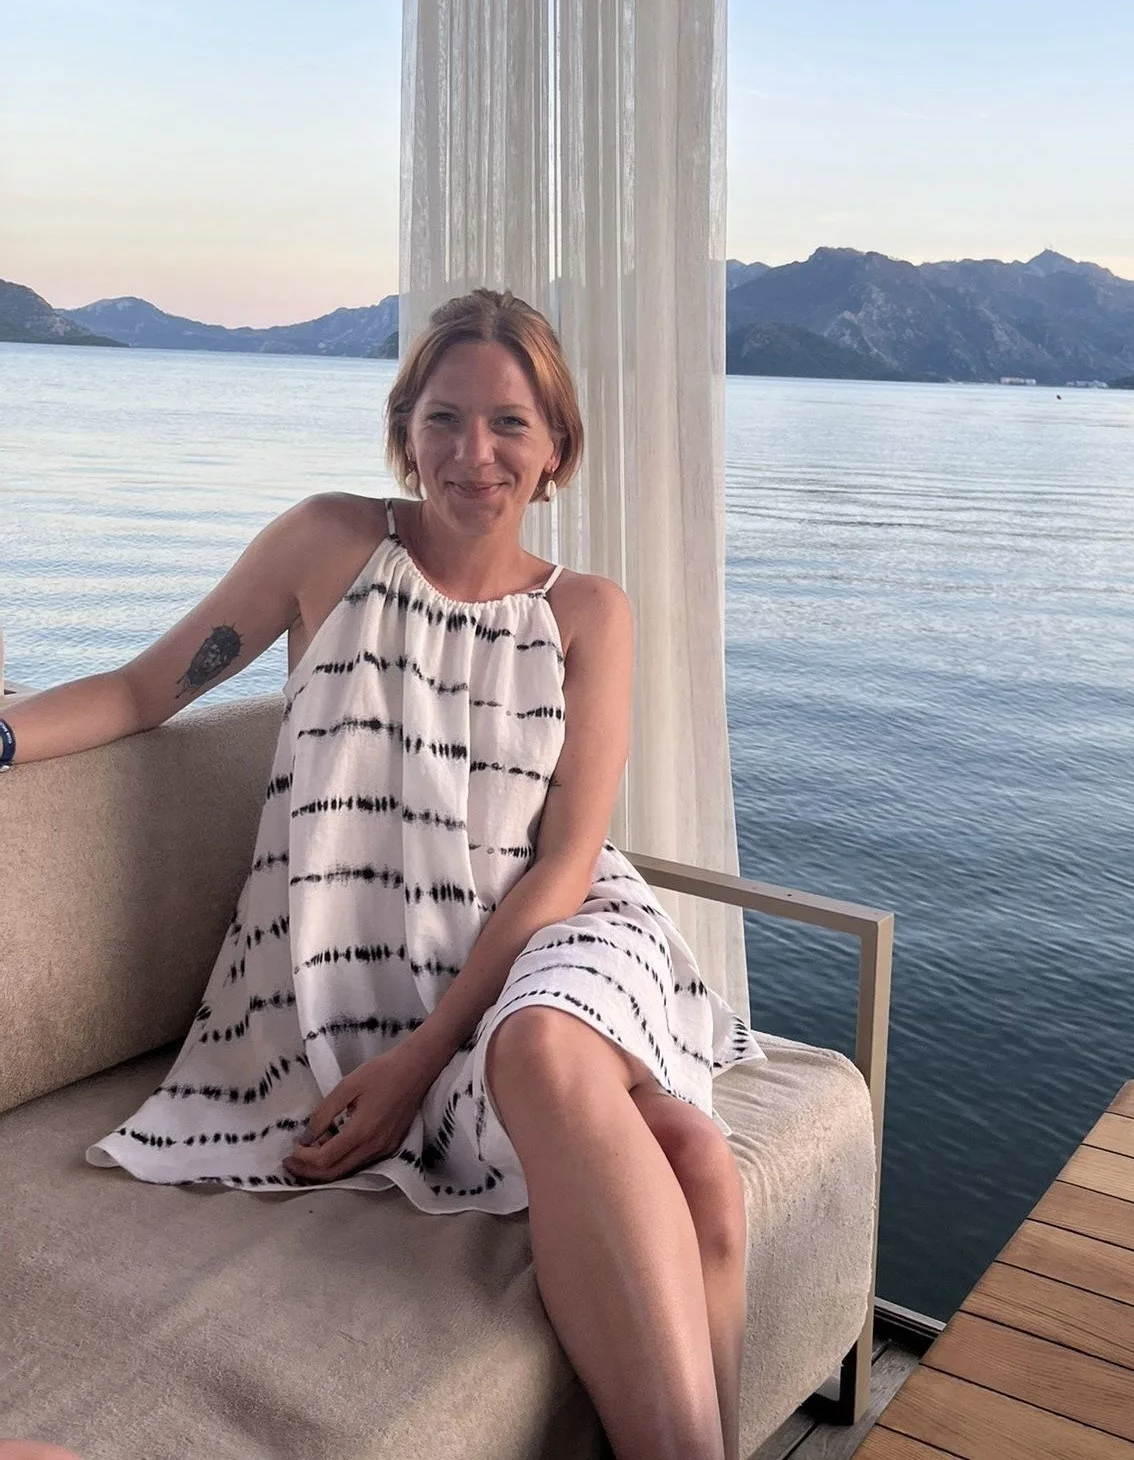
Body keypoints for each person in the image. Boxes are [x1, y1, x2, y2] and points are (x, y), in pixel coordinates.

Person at [2, 288, 763, 1460]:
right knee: (697, 1161)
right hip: (375, 983)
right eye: (444, 416)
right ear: (404, 427)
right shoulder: (330, 543)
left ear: (555, 447)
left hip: (560, 935)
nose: (473, 452)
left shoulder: (587, 614)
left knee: (541, 1049)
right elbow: (147, 688)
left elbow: (567, 860)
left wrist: (422, 1057)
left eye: (509, 423)